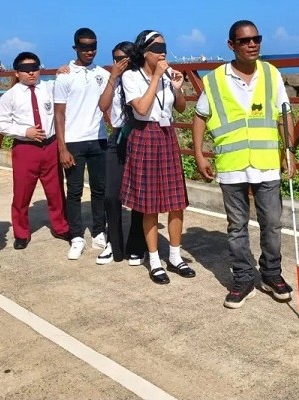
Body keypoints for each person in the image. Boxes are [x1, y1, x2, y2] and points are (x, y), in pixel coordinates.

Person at [192, 20, 296, 309]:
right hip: (231, 164)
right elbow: (200, 116)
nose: (253, 45)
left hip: (266, 163)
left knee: (272, 225)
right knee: (237, 227)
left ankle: (272, 275)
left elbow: (284, 114)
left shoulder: (271, 74)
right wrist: (199, 154)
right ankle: (243, 279)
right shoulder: (213, 80)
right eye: (245, 41)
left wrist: (289, 151)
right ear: (231, 45)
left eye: (256, 39)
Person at [120, 30, 194, 284]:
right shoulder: (131, 76)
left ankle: (175, 255)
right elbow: (141, 108)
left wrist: (177, 88)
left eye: (165, 47)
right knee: (149, 203)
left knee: (176, 200)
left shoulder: (167, 75)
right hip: (144, 134)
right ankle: (153, 259)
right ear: (144, 51)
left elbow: (181, 108)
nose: (163, 52)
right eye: (157, 48)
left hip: (166, 133)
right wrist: (156, 79)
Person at [0, 52, 69, 250]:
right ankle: (21, 232)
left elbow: (66, 87)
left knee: (55, 191)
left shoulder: (49, 88)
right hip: (26, 149)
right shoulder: (9, 96)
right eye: (26, 70)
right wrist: (24, 131)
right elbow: (1, 124)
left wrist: (62, 71)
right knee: (21, 193)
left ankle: (60, 226)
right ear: (17, 73)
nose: (31, 73)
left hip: (50, 146)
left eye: (35, 68)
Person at [54, 27, 110, 260]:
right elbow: (58, 114)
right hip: (74, 141)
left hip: (99, 139)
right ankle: (76, 236)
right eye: (84, 47)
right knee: (74, 191)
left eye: (93, 46)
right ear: (75, 47)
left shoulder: (104, 74)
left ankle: (99, 231)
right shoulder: (64, 75)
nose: (89, 51)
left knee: (100, 190)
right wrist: (62, 147)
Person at [96, 42, 146, 265]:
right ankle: (113, 243)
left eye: (125, 58)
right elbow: (103, 106)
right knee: (111, 195)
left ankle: (137, 244)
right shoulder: (113, 81)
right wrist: (112, 77)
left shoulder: (140, 78)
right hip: (117, 138)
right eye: (116, 58)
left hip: (140, 136)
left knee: (139, 195)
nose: (121, 62)